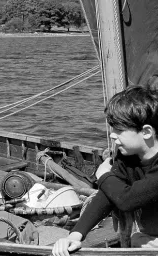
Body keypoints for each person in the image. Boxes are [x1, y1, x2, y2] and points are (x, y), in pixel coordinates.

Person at [52, 85, 158, 255]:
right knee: (138, 241)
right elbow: (108, 195)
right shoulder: (128, 157)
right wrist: (75, 235)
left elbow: (127, 200)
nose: (112, 135)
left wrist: (104, 175)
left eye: (119, 130)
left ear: (146, 132)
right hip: (149, 238)